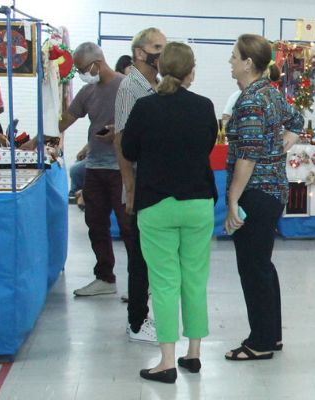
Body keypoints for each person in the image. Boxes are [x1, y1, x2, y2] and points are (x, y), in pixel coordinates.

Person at [121, 41, 217, 384]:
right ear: (190, 71)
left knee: (163, 283)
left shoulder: (145, 107)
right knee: (195, 279)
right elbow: (208, 144)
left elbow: (129, 150)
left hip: (156, 204)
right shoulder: (204, 107)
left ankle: (165, 361)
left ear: (160, 69)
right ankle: (194, 353)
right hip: (198, 203)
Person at [223, 33, 304, 362]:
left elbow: (248, 156)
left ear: (247, 63)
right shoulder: (269, 93)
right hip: (272, 191)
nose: (230, 62)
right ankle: (271, 335)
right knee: (262, 266)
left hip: (256, 193)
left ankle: (260, 342)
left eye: (234, 56)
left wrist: (232, 199)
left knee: (253, 268)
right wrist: (287, 140)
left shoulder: (252, 101)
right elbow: (296, 119)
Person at [60, 42, 129, 297]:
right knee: (95, 223)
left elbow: (145, 123)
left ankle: (140, 283)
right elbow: (66, 120)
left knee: (129, 228)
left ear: (96, 64)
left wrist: (119, 132)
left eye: (82, 69)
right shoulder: (88, 91)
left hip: (122, 169)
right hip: (95, 167)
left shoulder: (127, 87)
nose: (81, 74)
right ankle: (105, 278)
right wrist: (39, 137)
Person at [114, 27, 167, 343]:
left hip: (155, 182)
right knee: (139, 258)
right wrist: (130, 186)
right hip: (139, 183)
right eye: (157, 47)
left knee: (151, 256)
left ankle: (145, 315)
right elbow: (121, 139)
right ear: (140, 53)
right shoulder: (130, 87)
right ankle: (136, 322)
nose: (162, 53)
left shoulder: (157, 85)